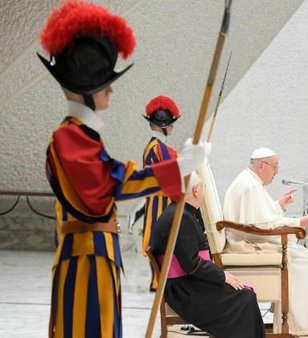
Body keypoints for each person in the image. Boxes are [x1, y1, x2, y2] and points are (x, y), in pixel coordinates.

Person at [38, 2, 206, 337]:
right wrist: (180, 167)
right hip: (85, 258)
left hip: (97, 254)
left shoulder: (82, 136)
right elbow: (111, 182)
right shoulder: (68, 137)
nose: (111, 90)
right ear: (88, 90)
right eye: (105, 83)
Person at [222, 147, 308, 336]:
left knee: (305, 256)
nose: (277, 172)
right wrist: (298, 222)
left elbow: (259, 219)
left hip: (250, 239)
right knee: (307, 260)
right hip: (247, 245)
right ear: (261, 165)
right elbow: (261, 226)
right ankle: (301, 326)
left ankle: (307, 323)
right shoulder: (250, 185)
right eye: (275, 167)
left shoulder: (250, 181)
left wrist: (279, 205)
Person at [151, 172, 266, 337]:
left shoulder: (181, 212)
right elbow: (192, 264)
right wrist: (222, 276)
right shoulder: (182, 217)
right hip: (184, 290)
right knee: (244, 298)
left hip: (186, 283)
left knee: (245, 295)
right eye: (203, 187)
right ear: (196, 190)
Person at [141, 95, 182, 292]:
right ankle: (160, 280)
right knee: (161, 241)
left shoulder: (157, 148)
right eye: (172, 124)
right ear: (165, 125)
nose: (173, 128)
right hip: (162, 203)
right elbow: (171, 178)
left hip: (158, 201)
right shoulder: (159, 149)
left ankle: (159, 280)